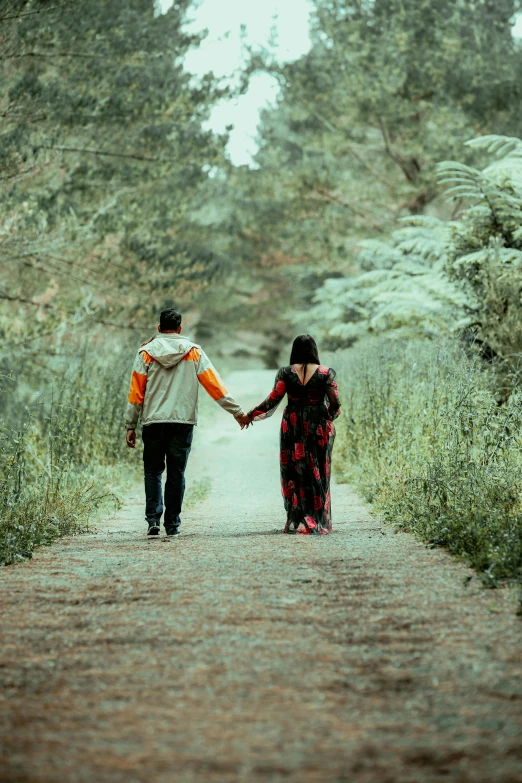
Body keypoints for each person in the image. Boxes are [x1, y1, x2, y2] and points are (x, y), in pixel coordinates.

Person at [125, 308, 246, 536]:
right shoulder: (193, 352)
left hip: (153, 422)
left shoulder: (145, 353)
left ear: (159, 329)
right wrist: (237, 412)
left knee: (152, 471)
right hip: (182, 422)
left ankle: (153, 519)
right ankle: (172, 524)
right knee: (176, 472)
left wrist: (130, 425)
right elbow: (215, 386)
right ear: (180, 329)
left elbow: (135, 394)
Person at [239, 334, 341, 535]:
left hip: (293, 424)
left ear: (294, 351)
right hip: (318, 423)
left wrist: (250, 415)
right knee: (319, 468)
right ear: (314, 350)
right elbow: (335, 402)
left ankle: (300, 518)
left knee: (296, 470)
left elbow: (273, 400)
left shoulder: (285, 373)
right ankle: (317, 518)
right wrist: (328, 416)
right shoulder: (326, 373)